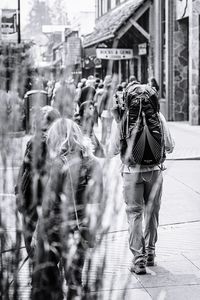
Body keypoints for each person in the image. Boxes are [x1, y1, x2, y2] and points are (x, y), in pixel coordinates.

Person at [33, 118, 103, 299]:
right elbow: (96, 204)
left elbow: (47, 204)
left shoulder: (57, 163)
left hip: (53, 231)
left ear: (58, 138)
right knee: (74, 281)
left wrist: (36, 233)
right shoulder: (94, 163)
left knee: (48, 281)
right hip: (79, 231)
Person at [108, 84, 175, 275]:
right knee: (152, 212)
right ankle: (151, 253)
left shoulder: (122, 118)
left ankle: (138, 260)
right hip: (154, 171)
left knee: (134, 214)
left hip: (131, 172)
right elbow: (170, 146)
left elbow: (112, 150)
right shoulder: (158, 117)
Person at [15, 106, 60, 257]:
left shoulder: (38, 142)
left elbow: (27, 170)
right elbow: (24, 168)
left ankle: (39, 273)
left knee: (33, 239)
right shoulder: (60, 142)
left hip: (36, 199)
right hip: (38, 198)